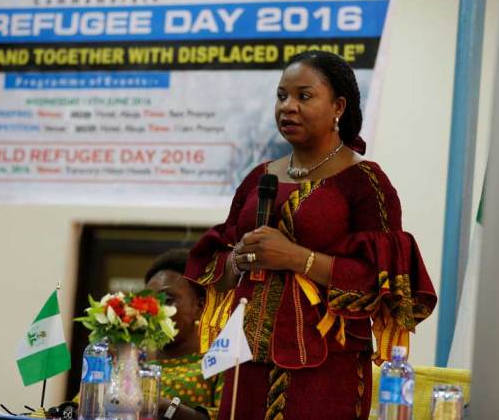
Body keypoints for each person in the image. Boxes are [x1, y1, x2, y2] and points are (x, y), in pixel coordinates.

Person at [185, 51, 437, 420]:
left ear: (338, 106)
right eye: (281, 96)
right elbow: (216, 266)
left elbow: (381, 284)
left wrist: (296, 258)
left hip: (326, 365)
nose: (288, 107)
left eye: (304, 96)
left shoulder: (366, 182)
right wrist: (238, 258)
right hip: (246, 359)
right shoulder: (259, 177)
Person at [145, 248, 223, 420]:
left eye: (167, 300)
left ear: (200, 307)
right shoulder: (131, 359)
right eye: (148, 302)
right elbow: (78, 408)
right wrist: (70, 410)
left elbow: (227, 416)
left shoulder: (218, 363)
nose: (155, 310)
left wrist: (170, 408)